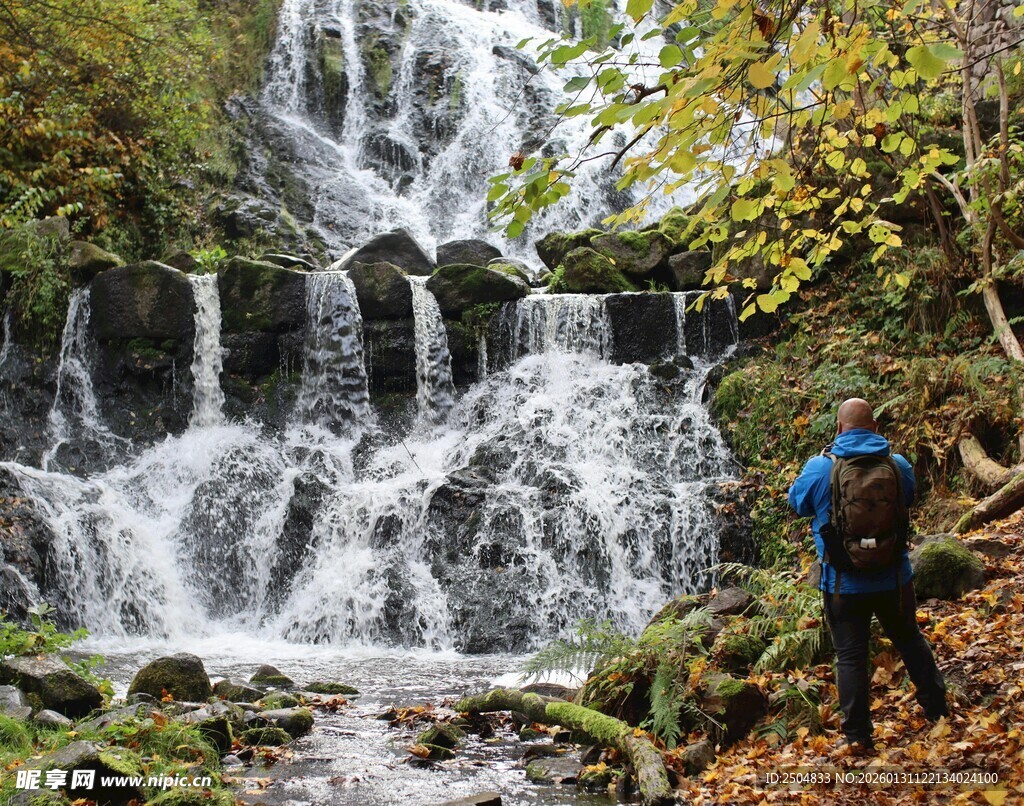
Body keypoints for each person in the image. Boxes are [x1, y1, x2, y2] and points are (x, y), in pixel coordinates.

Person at [788, 398, 948, 753]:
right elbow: (909, 498)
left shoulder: (820, 468)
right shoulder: (897, 464)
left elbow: (797, 504)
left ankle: (859, 737)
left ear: (839, 429)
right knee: (909, 640)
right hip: (894, 578)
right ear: (875, 428)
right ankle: (938, 712)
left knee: (850, 657)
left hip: (842, 583)